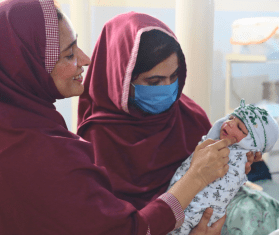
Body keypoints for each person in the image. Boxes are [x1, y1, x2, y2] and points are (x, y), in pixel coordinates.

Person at [0, 1, 235, 234]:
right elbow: (126, 229)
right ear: (25, 63)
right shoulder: (48, 153)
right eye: (69, 53)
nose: (85, 59)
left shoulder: (188, 114)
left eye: (173, 76)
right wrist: (194, 179)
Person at [77, 11, 261, 234]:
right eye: (154, 81)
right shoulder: (98, 137)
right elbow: (116, 225)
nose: (167, 89)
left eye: (174, 77)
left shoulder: (189, 116)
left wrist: (234, 165)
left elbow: (214, 186)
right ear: (121, 80)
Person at [167, 99, 279, 234]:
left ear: (251, 142)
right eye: (231, 118)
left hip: (199, 211)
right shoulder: (211, 142)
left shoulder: (240, 156)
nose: (229, 123)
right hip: (177, 200)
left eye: (239, 127)